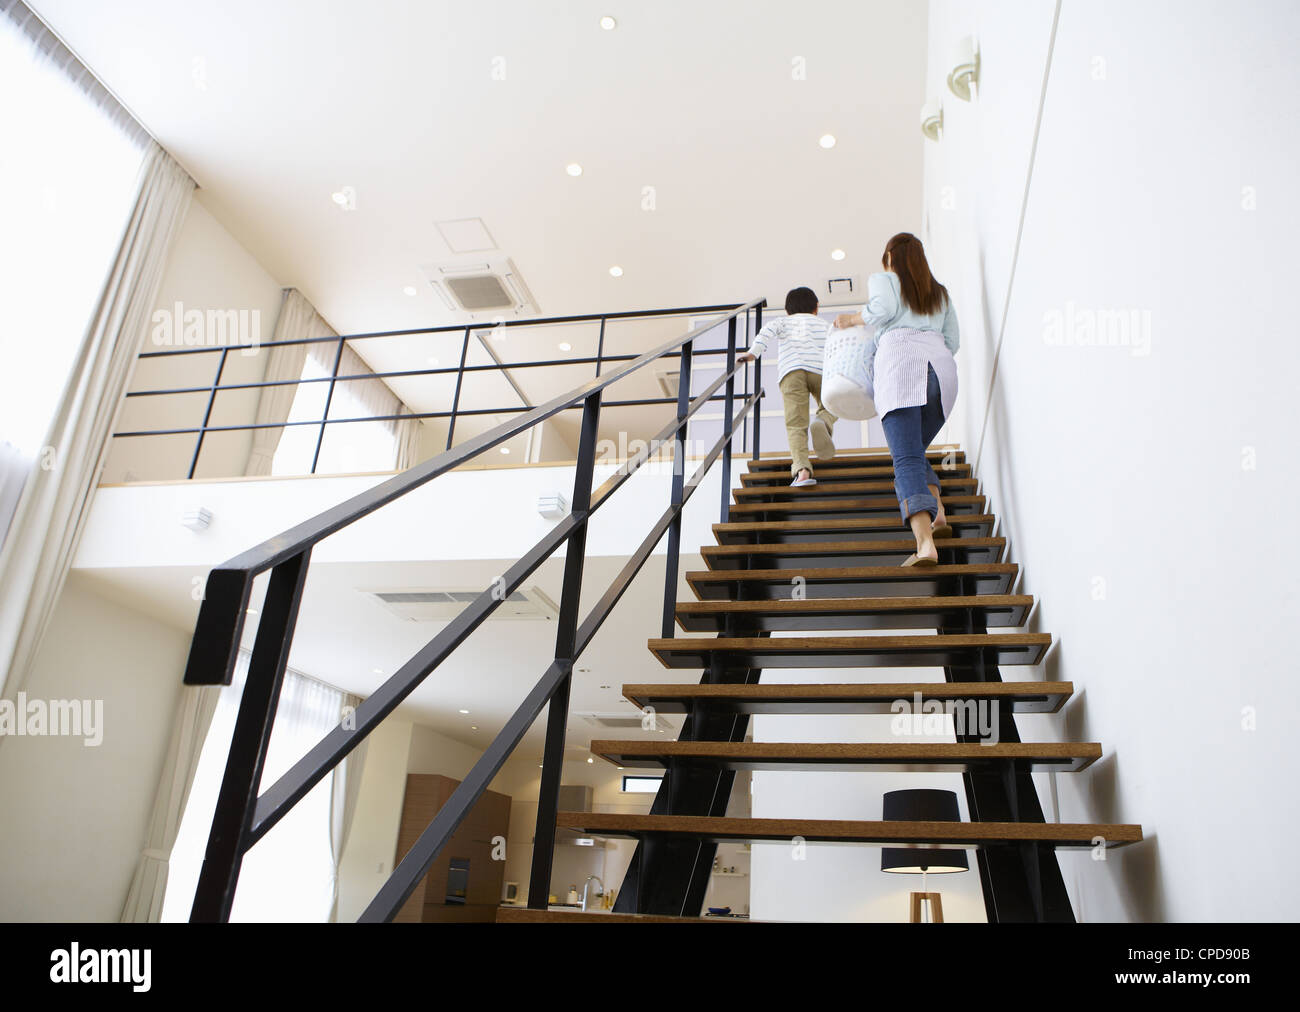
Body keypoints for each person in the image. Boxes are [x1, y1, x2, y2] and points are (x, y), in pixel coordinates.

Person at [834, 233, 958, 566]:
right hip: (942, 374)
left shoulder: (885, 280)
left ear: (890, 256)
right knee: (914, 452)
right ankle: (940, 514)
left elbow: (884, 309)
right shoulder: (939, 292)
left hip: (902, 366)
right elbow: (953, 340)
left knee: (904, 459)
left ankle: (924, 545)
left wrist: (854, 318)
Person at [739, 287, 836, 487]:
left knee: (796, 424)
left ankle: (802, 471)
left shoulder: (782, 322)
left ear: (787, 310)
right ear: (816, 307)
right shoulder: (824, 325)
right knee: (832, 404)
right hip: (820, 371)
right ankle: (823, 422)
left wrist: (752, 354)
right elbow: (837, 348)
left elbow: (766, 333)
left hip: (791, 372)